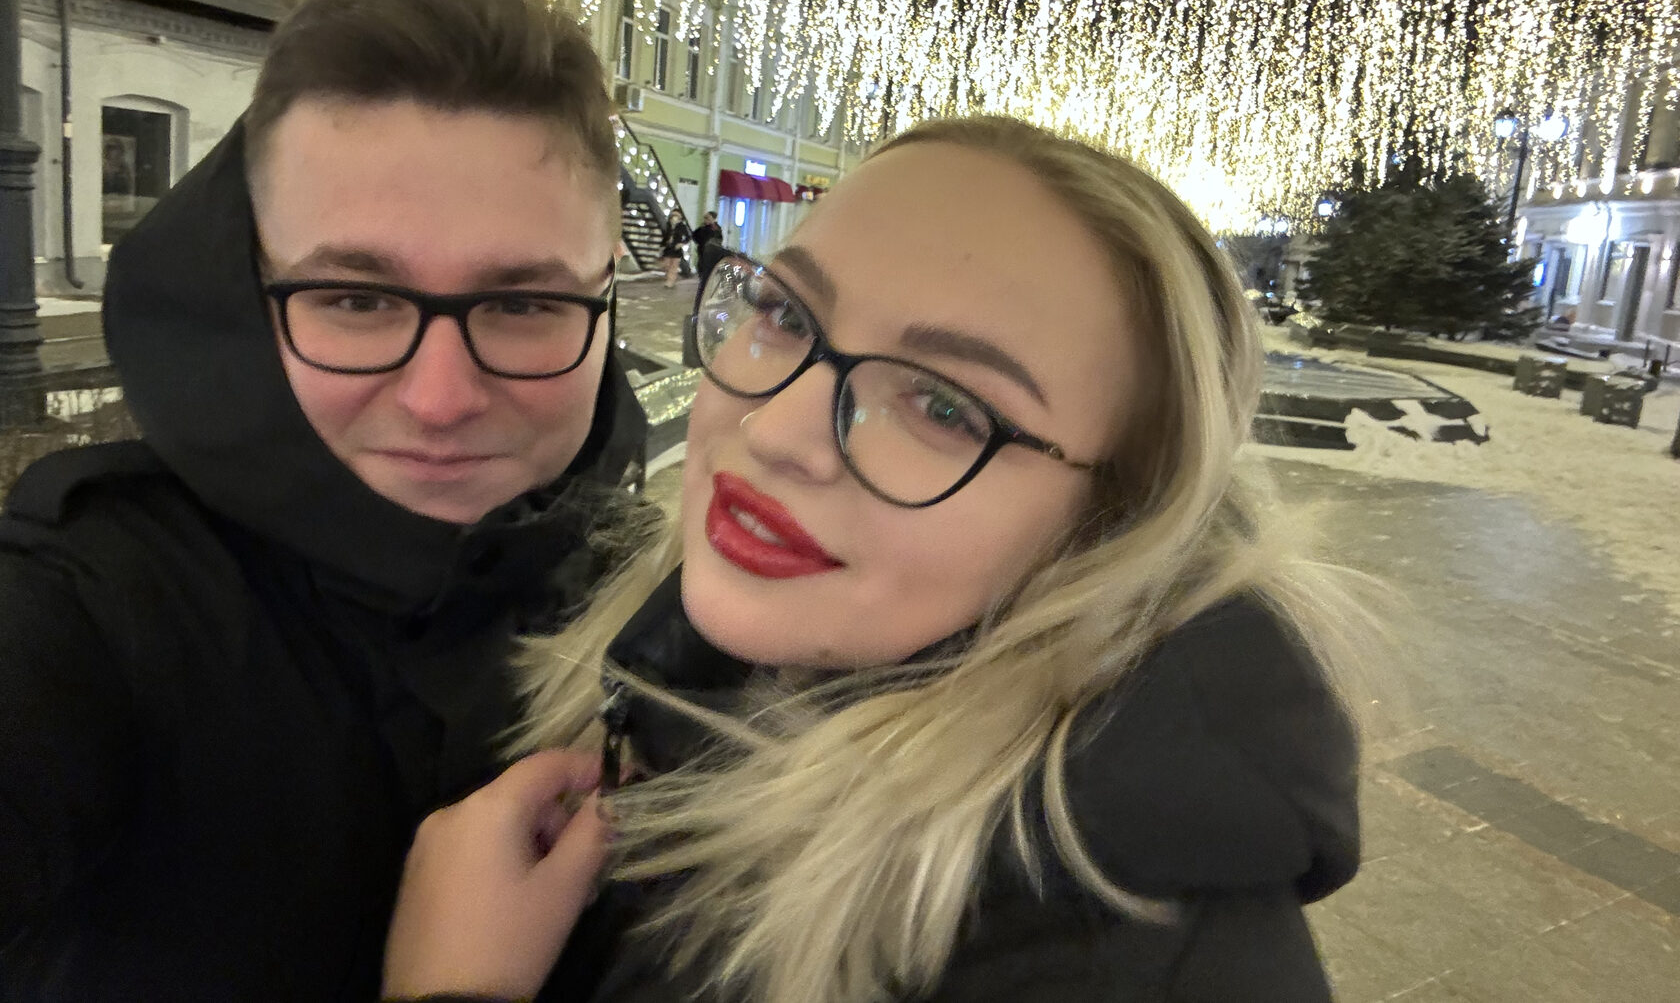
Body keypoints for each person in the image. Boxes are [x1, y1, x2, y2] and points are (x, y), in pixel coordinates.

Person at [384, 116, 1371, 1003]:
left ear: (1113, 526)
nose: (774, 430)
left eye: (943, 406)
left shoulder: (1130, 963)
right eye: (785, 316)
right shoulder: (645, 645)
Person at [0, 0, 647, 1001]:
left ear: (606, 299)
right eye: (357, 300)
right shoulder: (94, 609)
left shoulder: (659, 609)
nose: (441, 399)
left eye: (523, 306)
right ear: (253, 288)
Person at [658, 211, 691, 288]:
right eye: (673, 217)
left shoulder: (682, 226)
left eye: (676, 217)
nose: (674, 219)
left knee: (674, 266)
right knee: (666, 265)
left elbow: (688, 237)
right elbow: (665, 236)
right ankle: (669, 279)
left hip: (676, 249)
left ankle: (670, 281)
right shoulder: (668, 225)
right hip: (668, 248)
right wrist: (662, 246)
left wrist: (681, 243)